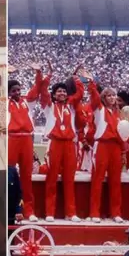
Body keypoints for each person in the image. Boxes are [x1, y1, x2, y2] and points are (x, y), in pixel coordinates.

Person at [39, 64, 84, 222]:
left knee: (69, 179)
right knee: (51, 178)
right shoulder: (49, 106)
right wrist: (49, 75)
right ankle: (49, 212)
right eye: (59, 91)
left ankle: (70, 213)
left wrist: (75, 76)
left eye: (64, 91)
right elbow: (43, 91)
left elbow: (80, 93)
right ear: (54, 94)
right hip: (55, 143)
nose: (62, 93)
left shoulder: (71, 106)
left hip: (69, 144)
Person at [8, 63, 47, 222]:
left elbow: (36, 89)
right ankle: (10, 210)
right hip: (12, 138)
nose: (17, 92)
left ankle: (29, 210)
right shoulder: (6, 103)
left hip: (26, 140)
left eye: (18, 89)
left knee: (26, 176)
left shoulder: (26, 103)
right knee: (10, 177)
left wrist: (38, 73)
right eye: (13, 90)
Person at [88, 78, 125, 223]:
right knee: (97, 180)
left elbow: (123, 134)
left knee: (116, 181)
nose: (111, 97)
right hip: (102, 146)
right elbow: (94, 97)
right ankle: (94, 212)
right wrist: (92, 83)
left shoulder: (118, 113)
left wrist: (123, 151)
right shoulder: (99, 109)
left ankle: (116, 212)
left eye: (113, 95)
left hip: (115, 147)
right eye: (108, 95)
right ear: (103, 98)